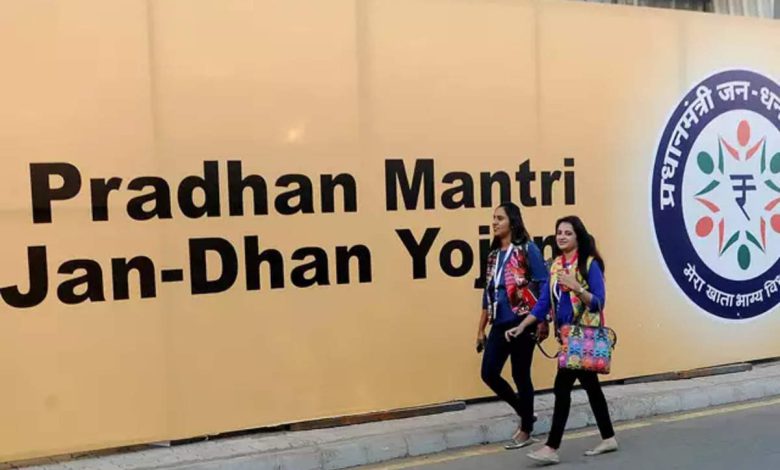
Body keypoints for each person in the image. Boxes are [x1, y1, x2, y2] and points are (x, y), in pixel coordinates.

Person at [506, 215, 617, 465]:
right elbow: (544, 302)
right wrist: (522, 326)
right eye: (559, 232)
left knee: (562, 388)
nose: (562, 236)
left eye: (568, 232)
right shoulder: (555, 265)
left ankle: (551, 447)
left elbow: (599, 302)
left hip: (583, 337)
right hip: (567, 337)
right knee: (591, 388)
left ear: (578, 236)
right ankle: (608, 437)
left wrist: (577, 287)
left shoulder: (589, 264)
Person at [477, 202, 549, 449]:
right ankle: (527, 413)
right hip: (499, 321)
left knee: (520, 374)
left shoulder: (527, 249)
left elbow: (542, 283)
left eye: (500, 218)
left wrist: (542, 320)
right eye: (493, 218)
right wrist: (480, 328)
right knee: (488, 373)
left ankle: (526, 429)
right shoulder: (494, 254)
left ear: (512, 222)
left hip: (523, 319)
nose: (495, 222)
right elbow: (487, 292)